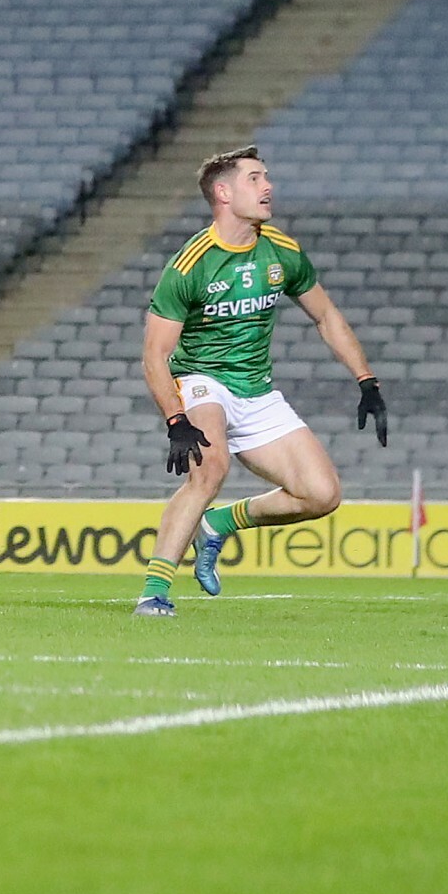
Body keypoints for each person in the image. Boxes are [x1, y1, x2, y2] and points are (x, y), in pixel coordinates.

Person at [136, 146, 386, 617]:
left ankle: (220, 524)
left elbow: (326, 315)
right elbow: (155, 354)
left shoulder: (281, 250)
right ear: (224, 193)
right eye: (255, 179)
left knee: (322, 494)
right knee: (209, 470)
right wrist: (176, 419)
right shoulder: (191, 264)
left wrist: (366, 379)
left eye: (266, 177)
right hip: (203, 380)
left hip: (257, 389)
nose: (268, 186)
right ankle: (155, 591)